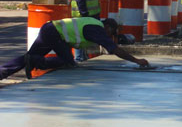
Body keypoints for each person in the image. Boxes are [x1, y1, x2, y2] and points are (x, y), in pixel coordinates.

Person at [0, 18, 149, 80]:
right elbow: (114, 49)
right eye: (112, 33)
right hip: (55, 33)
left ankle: (2, 72)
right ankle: (35, 61)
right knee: (68, 62)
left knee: (27, 56)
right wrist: (136, 60)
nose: (110, 36)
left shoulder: (94, 24)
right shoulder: (98, 30)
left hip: (50, 28)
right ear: (108, 27)